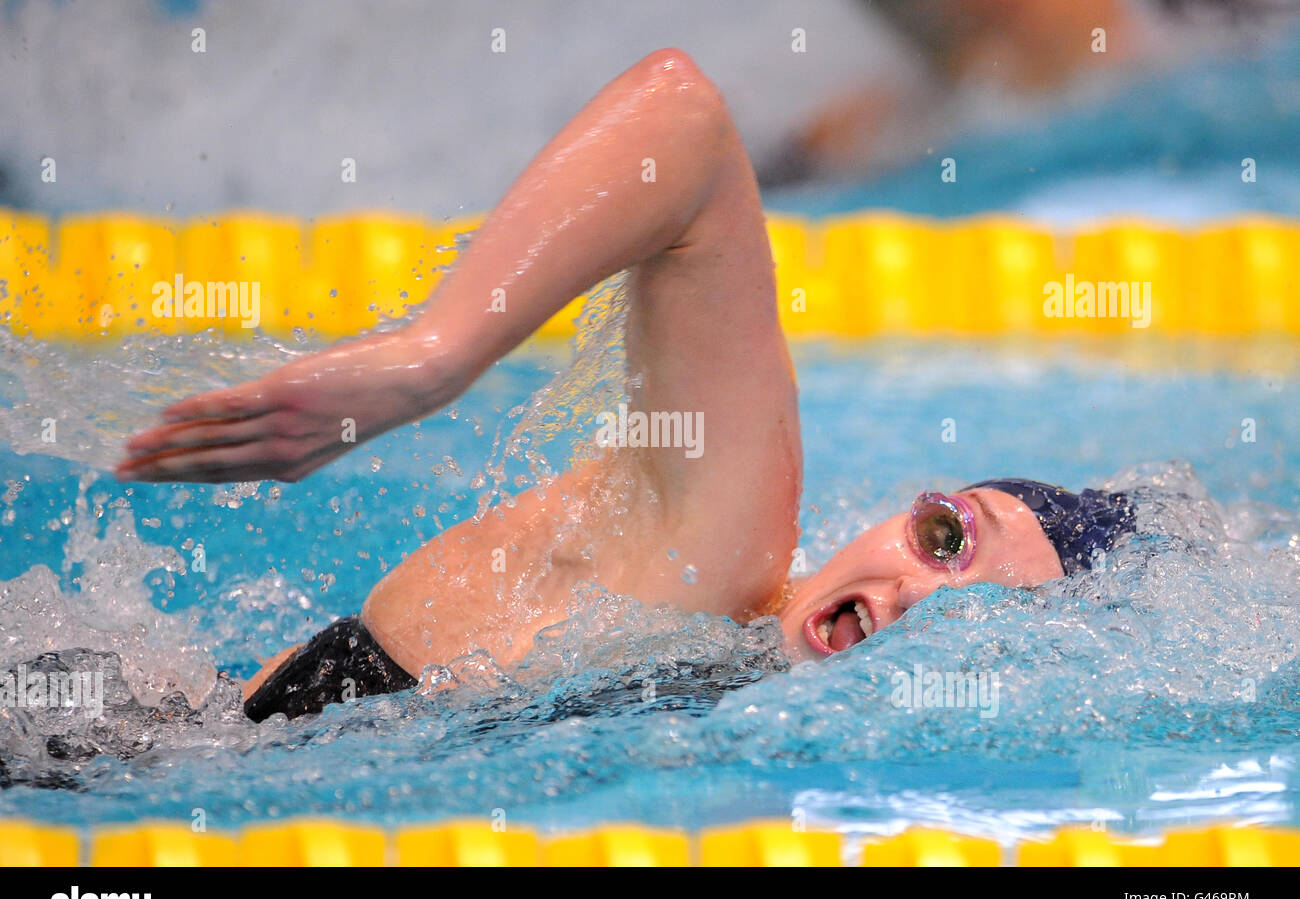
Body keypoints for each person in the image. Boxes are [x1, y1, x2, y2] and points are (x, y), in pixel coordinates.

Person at [112, 50, 1134, 722]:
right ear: (895, 514)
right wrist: (434, 358)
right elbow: (681, 124)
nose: (913, 600)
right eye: (947, 539)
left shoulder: (726, 708)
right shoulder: (716, 557)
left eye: (968, 623)